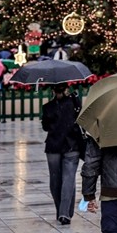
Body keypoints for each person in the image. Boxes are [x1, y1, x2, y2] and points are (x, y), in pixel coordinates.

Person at [41, 83, 84, 224]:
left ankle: (61, 210)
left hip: (53, 146)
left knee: (55, 180)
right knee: (69, 178)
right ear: (66, 89)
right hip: (72, 145)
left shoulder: (47, 107)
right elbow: (81, 119)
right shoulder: (74, 103)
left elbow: (45, 127)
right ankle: (65, 213)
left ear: (52, 90)